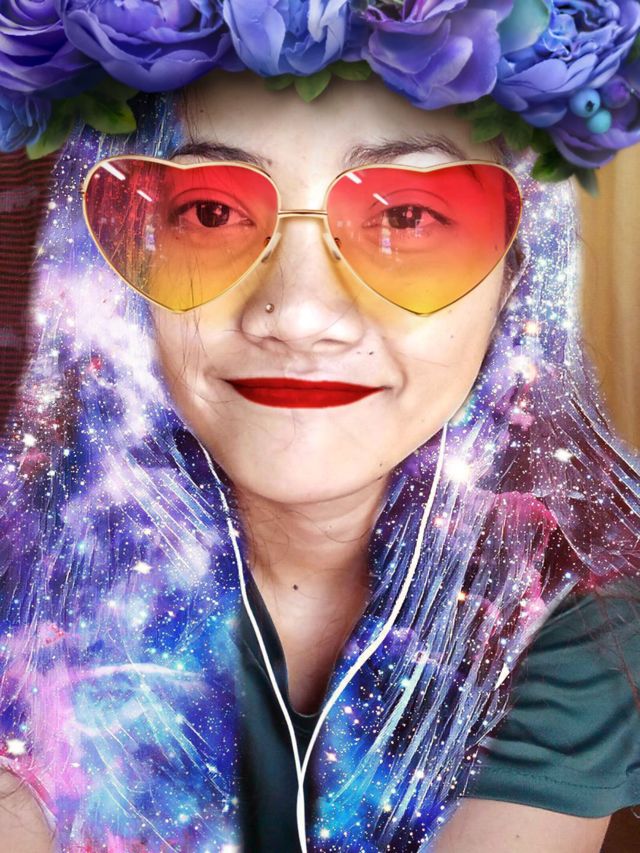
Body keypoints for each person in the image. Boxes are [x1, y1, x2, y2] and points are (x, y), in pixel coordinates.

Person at [0, 4, 639, 852]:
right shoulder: (29, 583)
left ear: (513, 277)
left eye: (406, 217)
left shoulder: (583, 613)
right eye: (209, 212)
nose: (297, 313)